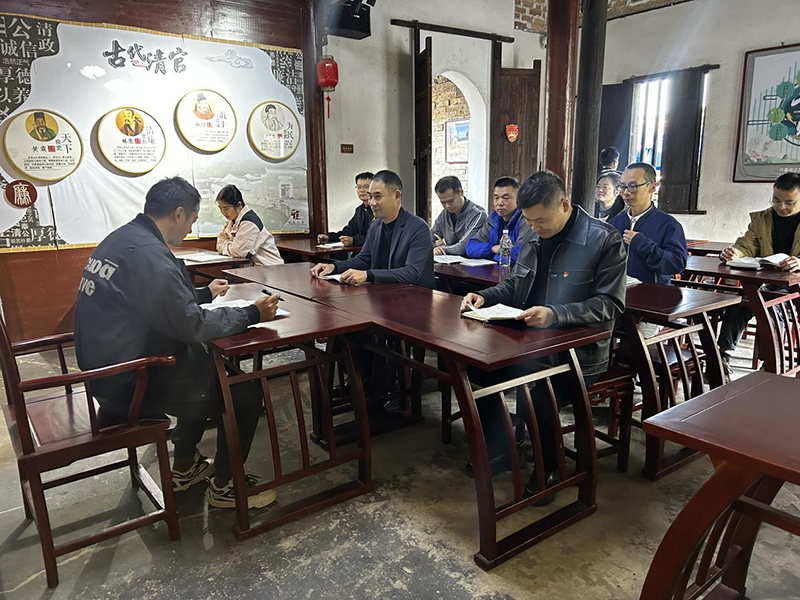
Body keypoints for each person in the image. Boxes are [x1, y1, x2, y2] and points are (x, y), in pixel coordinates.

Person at [74, 177, 279, 510]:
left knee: (205, 367)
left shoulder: (123, 239)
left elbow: (152, 302)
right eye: (192, 221)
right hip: (130, 381)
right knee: (242, 393)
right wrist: (252, 312)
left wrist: (203, 293)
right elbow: (191, 324)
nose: (190, 229)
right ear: (179, 213)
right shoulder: (151, 255)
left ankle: (184, 466)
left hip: (105, 371)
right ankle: (227, 485)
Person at [460, 170, 626, 499]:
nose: (534, 229)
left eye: (540, 221)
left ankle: (551, 467)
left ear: (564, 205)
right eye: (529, 221)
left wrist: (556, 314)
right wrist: (485, 297)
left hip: (578, 353)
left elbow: (611, 303)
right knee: (477, 371)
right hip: (530, 343)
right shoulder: (534, 235)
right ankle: (503, 449)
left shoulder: (603, 240)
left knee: (539, 398)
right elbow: (515, 283)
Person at [717, 172, 800, 374]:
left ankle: (769, 366)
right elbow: (747, 244)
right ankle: (722, 357)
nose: (781, 207)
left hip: (795, 286)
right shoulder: (762, 219)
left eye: (789, 202)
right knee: (740, 303)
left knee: (772, 307)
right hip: (768, 281)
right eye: (776, 200)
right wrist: (734, 252)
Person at [310, 170, 435, 288]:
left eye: (378, 197)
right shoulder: (375, 225)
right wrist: (334, 267)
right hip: (384, 293)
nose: (372, 203)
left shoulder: (418, 227)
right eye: (370, 197)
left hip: (414, 296)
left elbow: (412, 273)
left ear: (396, 196)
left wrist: (368, 275)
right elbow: (364, 259)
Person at [609, 162, 687, 285]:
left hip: (652, 292)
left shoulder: (668, 225)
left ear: (652, 187)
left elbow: (677, 264)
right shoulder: (615, 222)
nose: (626, 192)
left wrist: (643, 245)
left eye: (633, 186)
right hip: (616, 291)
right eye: (622, 186)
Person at [465, 177, 532, 264]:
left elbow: (521, 254)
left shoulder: (526, 219)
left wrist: (494, 255)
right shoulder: (493, 219)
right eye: (496, 198)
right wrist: (493, 249)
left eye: (506, 198)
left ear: (519, 199)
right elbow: (470, 248)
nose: (500, 203)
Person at [216, 185, 284, 266]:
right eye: (220, 208)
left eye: (226, 208)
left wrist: (227, 244)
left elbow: (239, 252)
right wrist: (231, 245)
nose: (223, 212)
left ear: (239, 205)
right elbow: (219, 244)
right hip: (255, 269)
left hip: (270, 268)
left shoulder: (249, 223)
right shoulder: (232, 221)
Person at [430, 176, 487, 256]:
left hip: (472, 262)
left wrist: (442, 247)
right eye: (443, 202)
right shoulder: (445, 213)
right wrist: (434, 247)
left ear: (461, 192)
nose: (447, 206)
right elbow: (429, 238)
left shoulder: (478, 214)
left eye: (451, 201)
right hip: (449, 261)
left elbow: (462, 249)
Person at [317, 172, 374, 247]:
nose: (362, 190)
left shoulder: (378, 209)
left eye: (366, 187)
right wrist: (329, 237)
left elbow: (376, 236)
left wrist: (354, 240)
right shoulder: (359, 210)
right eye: (359, 187)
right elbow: (349, 231)